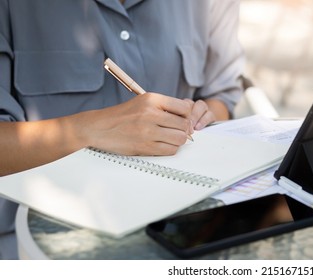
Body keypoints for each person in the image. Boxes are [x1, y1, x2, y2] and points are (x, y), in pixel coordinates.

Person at [0, 0, 245, 259]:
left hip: (180, 226)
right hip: (35, 243)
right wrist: (90, 130)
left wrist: (200, 118)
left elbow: (221, 95)